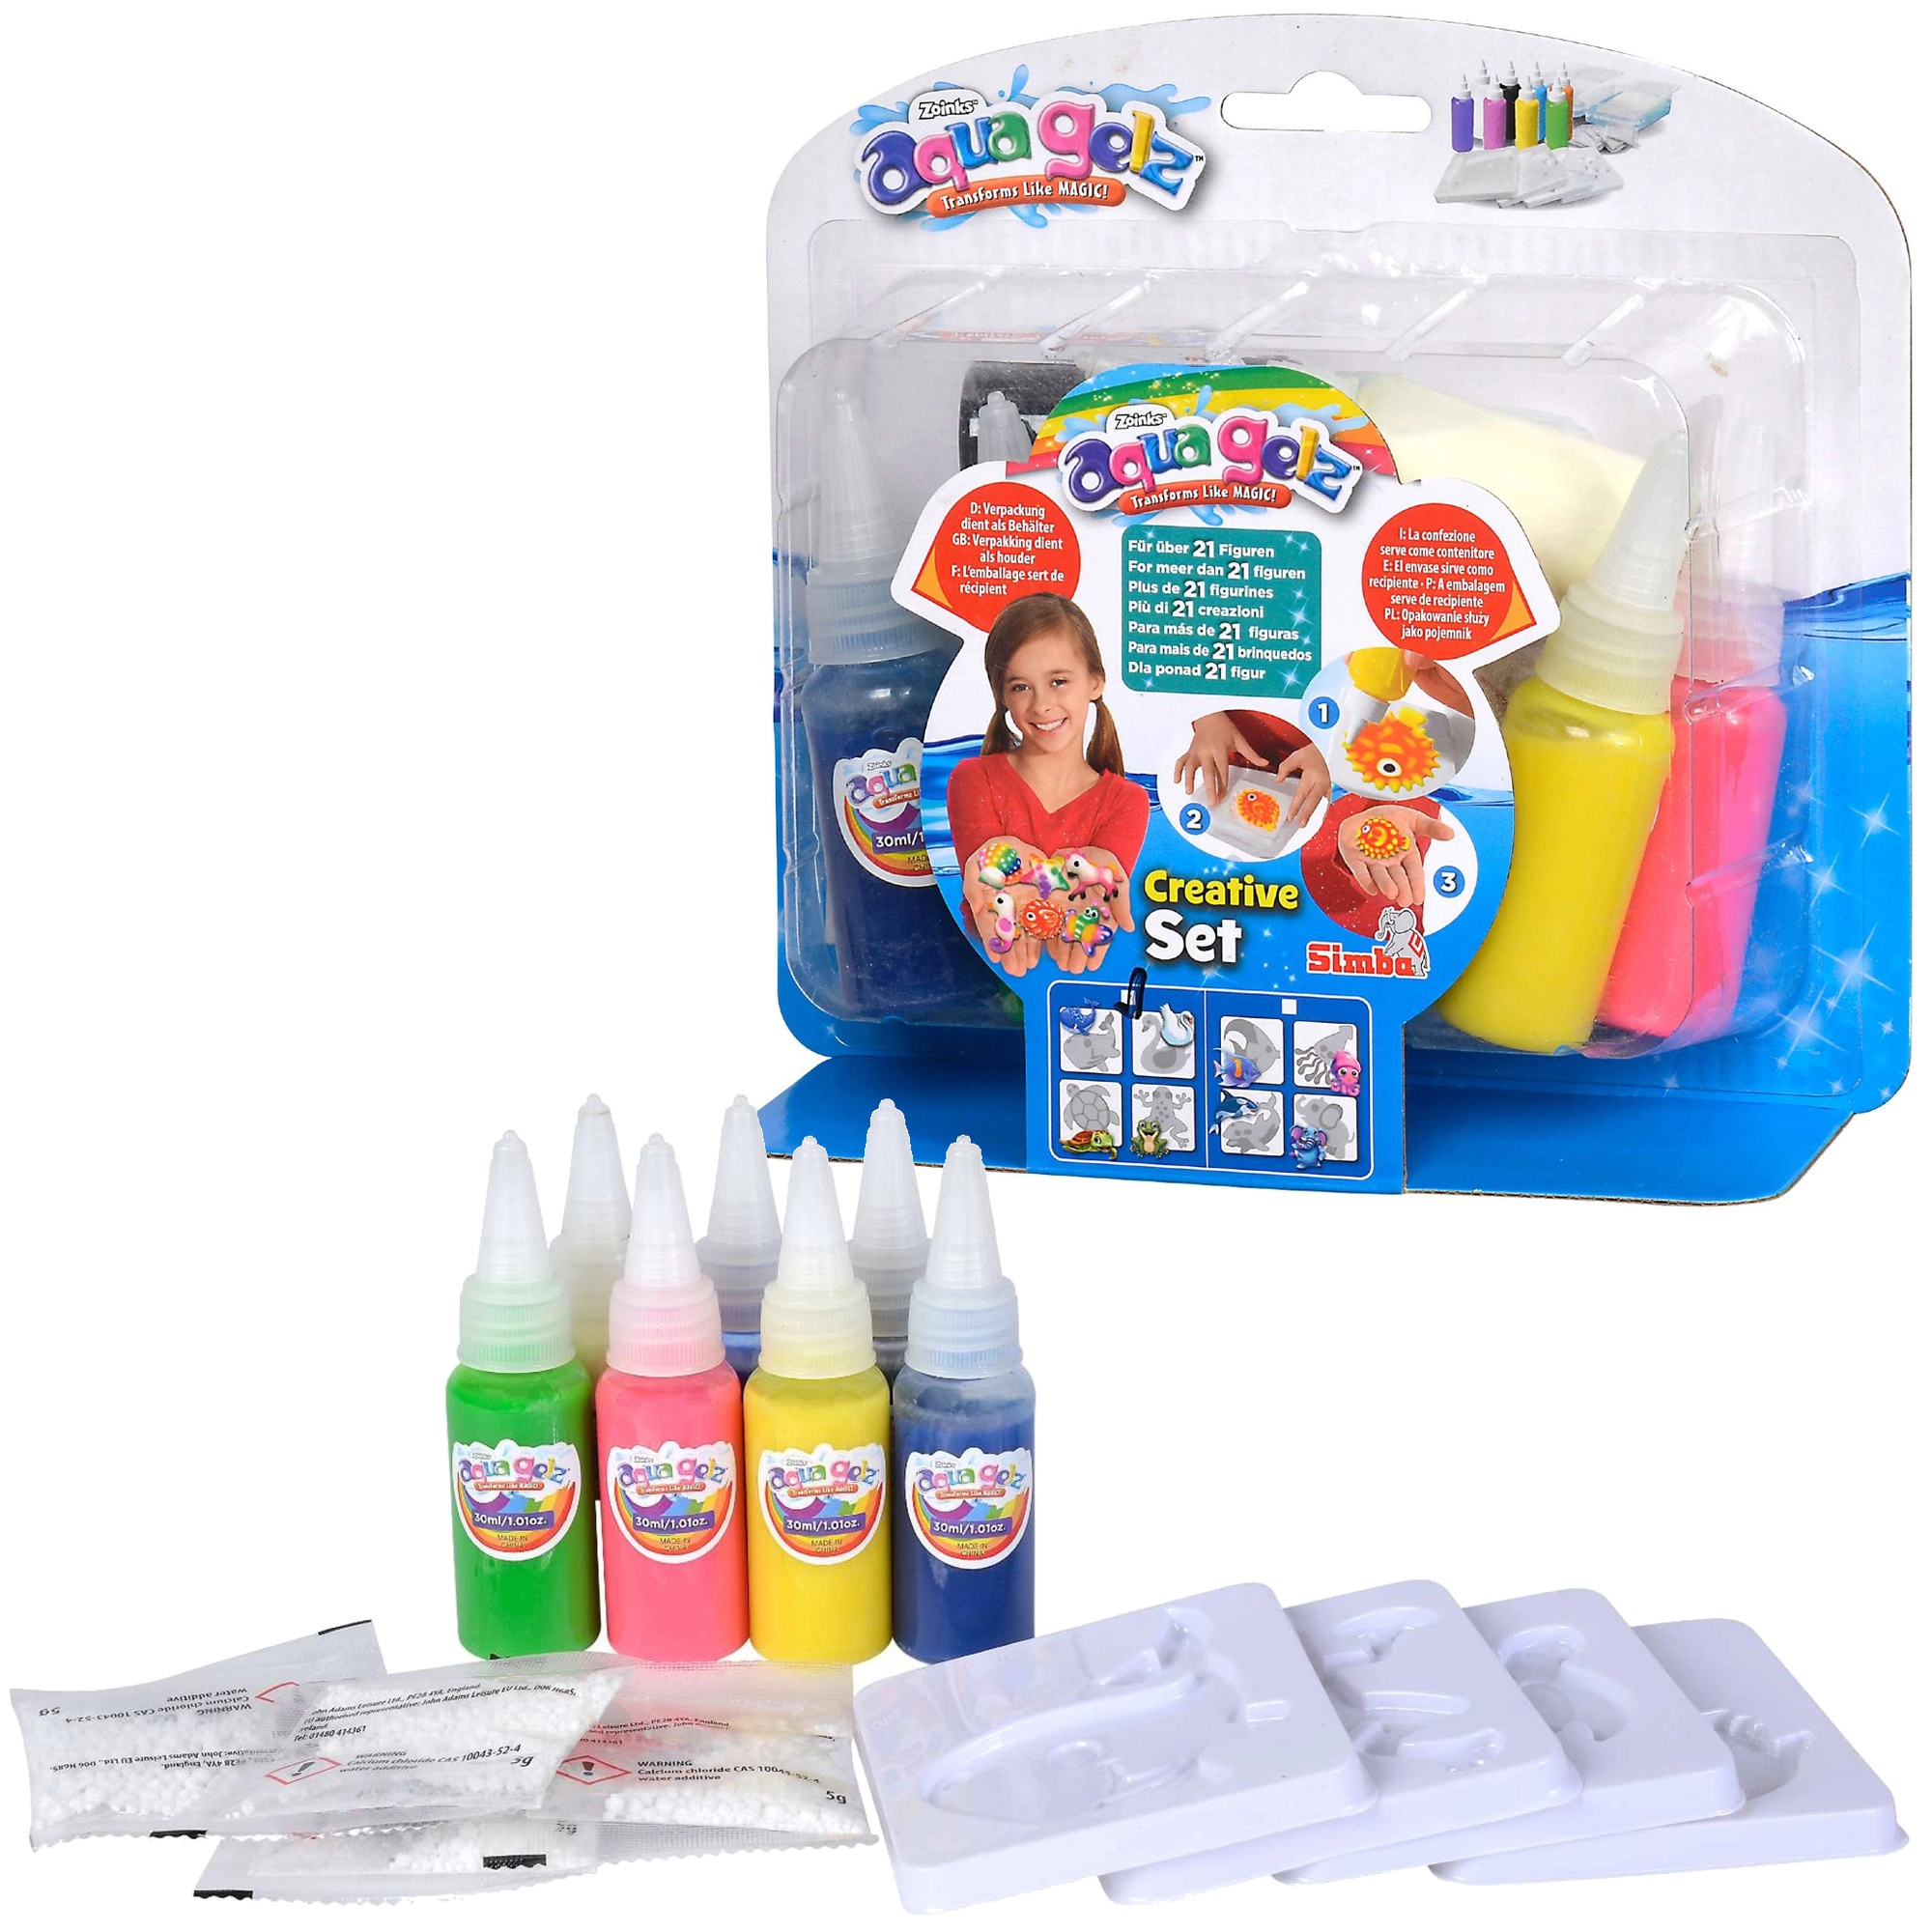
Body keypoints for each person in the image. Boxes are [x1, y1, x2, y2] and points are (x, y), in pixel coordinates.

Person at [947, 594, 1147, 978]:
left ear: (1095, 682)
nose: (1041, 705)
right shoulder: (974, 779)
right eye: (1021, 687)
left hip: (1082, 982)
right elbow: (987, 899)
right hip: (984, 973)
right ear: (1002, 696)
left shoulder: (1127, 801)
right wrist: (1016, 878)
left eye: (1058, 682)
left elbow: (1097, 896)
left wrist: (1057, 883)